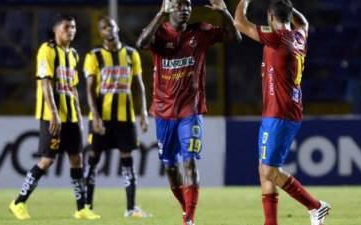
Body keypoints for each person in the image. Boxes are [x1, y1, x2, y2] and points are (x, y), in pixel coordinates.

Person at [137, 0, 241, 224]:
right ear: (170, 9)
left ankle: (189, 220)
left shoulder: (201, 31)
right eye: (179, 6)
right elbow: (141, 43)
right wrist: (159, 14)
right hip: (163, 112)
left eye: (188, 6)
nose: (184, 9)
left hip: (190, 111)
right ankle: (187, 209)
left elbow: (235, 37)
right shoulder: (161, 32)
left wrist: (224, 11)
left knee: (189, 162)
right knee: (170, 167)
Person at [234, 0, 331, 225]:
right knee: (263, 169)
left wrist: (244, 1)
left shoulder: (277, 39)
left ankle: (316, 206)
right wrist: (288, 8)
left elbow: (239, 22)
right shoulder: (298, 37)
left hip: (280, 113)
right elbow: (304, 22)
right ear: (289, 16)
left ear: (269, 17)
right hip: (279, 111)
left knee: (269, 170)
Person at [9, 14, 99, 220]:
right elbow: (45, 83)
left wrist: (79, 118)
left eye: (74, 27)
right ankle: (18, 202)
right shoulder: (47, 50)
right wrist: (55, 115)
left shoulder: (74, 54)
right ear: (56, 29)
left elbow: (72, 88)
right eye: (67, 27)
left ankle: (81, 209)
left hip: (72, 118)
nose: (72, 31)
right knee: (47, 160)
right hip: (53, 117)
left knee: (76, 159)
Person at [83, 16, 150, 218]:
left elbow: (139, 85)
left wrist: (144, 111)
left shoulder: (131, 54)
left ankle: (130, 209)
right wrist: (95, 116)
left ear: (117, 27)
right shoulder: (94, 56)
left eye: (110, 26)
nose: (108, 30)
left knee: (127, 160)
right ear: (100, 32)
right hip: (101, 117)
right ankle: (86, 208)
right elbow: (89, 89)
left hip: (125, 117)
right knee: (93, 160)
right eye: (103, 28)